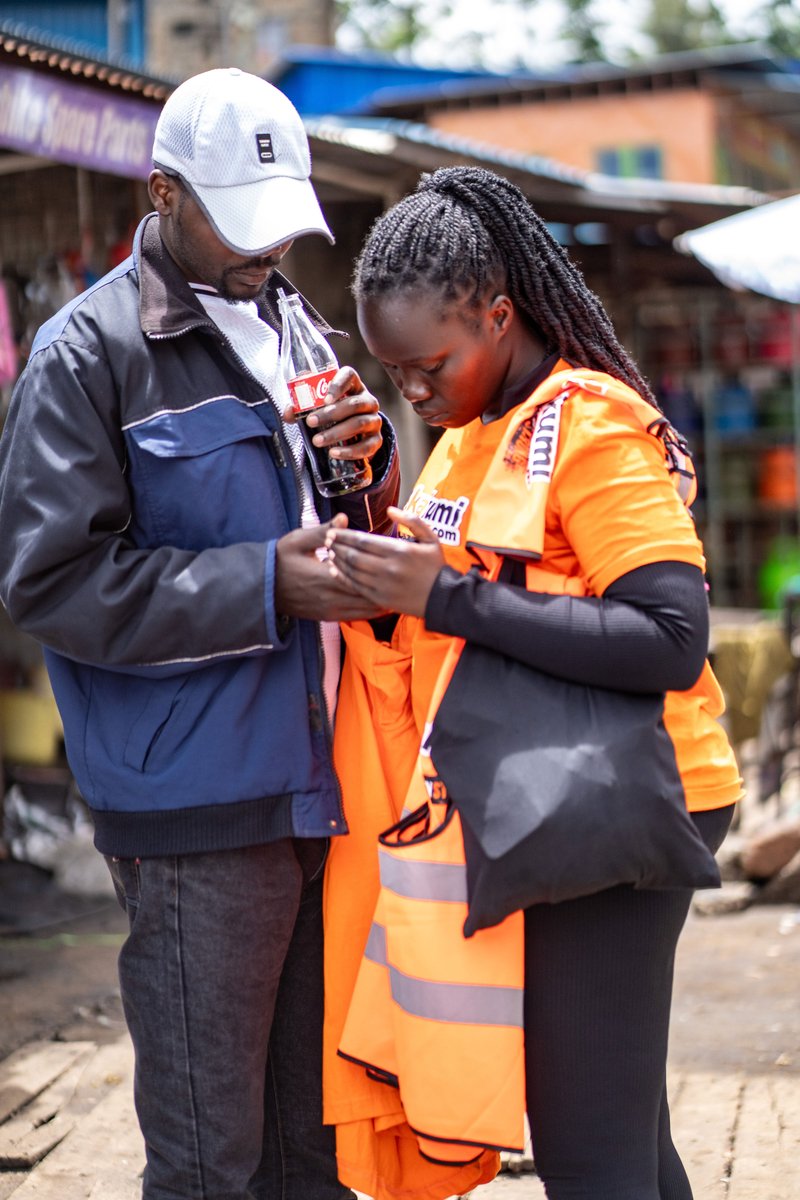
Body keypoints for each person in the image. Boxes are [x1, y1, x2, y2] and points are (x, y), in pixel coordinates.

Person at [0, 68, 399, 1200]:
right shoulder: (88, 356)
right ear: (164, 193)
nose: (266, 252)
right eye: (239, 221)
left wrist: (366, 468)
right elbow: (52, 581)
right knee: (208, 1161)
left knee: (311, 1155)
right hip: (192, 815)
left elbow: (345, 524)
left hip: (323, 793)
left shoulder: (299, 329)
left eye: (283, 225)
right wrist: (264, 584)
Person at [322, 166, 743, 1200]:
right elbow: (458, 598)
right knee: (622, 1135)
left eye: (430, 367)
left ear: (500, 316)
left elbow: (668, 636)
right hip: (554, 796)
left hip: (633, 796)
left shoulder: (589, 426)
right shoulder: (471, 437)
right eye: (396, 377)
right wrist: (377, 523)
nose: (415, 393)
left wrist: (444, 595)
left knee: (587, 1149)